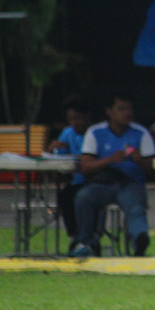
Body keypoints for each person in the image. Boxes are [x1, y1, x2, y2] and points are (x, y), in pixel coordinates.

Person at [71, 91, 155, 257]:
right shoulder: (95, 132)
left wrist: (139, 160)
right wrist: (109, 160)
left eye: (129, 109)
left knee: (135, 206)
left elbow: (152, 168)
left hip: (130, 183)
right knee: (84, 197)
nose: (127, 113)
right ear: (109, 111)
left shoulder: (141, 133)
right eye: (121, 109)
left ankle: (140, 239)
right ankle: (86, 242)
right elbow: (85, 167)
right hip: (102, 183)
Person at [47, 94, 93, 252]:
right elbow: (57, 164)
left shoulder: (95, 133)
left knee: (83, 197)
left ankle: (89, 238)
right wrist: (55, 149)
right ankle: (75, 237)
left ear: (87, 116)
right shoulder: (67, 133)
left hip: (95, 181)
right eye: (71, 119)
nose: (74, 123)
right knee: (66, 195)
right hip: (76, 182)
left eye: (77, 118)